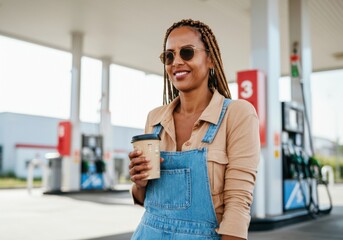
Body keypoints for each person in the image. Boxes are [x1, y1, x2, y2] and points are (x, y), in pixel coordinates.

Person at [128, 19, 260, 240]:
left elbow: (238, 205)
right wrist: (139, 183)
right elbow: (143, 199)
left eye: (187, 53)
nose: (176, 61)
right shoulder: (155, 118)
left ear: (210, 60)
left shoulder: (237, 114)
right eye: (169, 56)